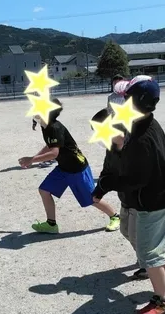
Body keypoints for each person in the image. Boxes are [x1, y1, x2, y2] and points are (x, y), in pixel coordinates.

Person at [92, 77, 165, 314]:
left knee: (150, 253)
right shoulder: (151, 124)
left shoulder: (139, 138)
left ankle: (163, 301)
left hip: (151, 201)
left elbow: (136, 180)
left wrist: (108, 184)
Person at [18, 98, 121, 234]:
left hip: (77, 168)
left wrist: (32, 159)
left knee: (92, 198)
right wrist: (34, 157)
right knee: (44, 190)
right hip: (64, 167)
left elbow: (54, 153)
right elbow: (51, 145)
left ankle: (115, 216)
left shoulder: (54, 128)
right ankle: (51, 224)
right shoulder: (46, 126)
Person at [91, 108, 149, 281]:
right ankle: (144, 259)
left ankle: (148, 265)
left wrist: (112, 184)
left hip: (140, 200)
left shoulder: (134, 146)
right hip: (126, 199)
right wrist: (99, 189)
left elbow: (137, 178)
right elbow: (108, 170)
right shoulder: (111, 148)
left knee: (136, 234)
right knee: (125, 230)